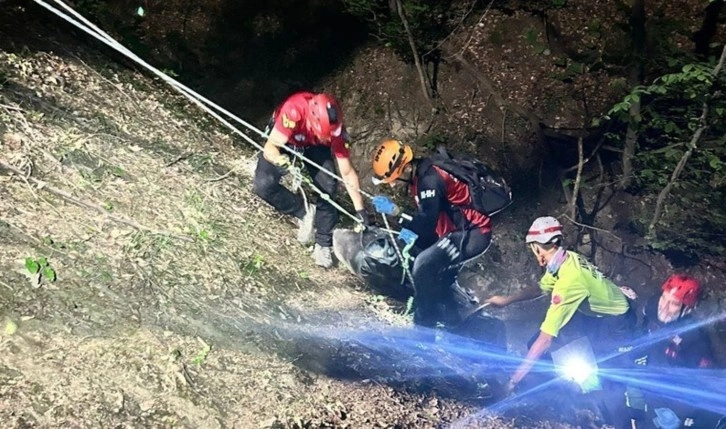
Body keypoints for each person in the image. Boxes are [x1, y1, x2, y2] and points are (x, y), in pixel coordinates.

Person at [485, 216, 635, 393]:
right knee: (537, 344)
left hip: (617, 322)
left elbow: (545, 340)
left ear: (536, 247)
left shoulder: (568, 282)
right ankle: (551, 388)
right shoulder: (565, 259)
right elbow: (540, 288)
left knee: (608, 373)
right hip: (595, 311)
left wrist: (512, 381)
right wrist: (506, 300)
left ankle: (587, 399)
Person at [369, 139, 493, 330]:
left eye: (394, 179)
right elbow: (427, 219)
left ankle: (424, 326)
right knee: (431, 267)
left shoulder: (429, 180)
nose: (392, 185)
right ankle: (453, 318)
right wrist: (400, 218)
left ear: (405, 168)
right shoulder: (421, 176)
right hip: (454, 232)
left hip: (472, 233)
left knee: (424, 266)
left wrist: (398, 216)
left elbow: (426, 222)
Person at [252, 91, 368, 268]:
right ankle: (303, 210)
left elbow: (347, 172)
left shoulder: (335, 129)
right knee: (263, 185)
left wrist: (360, 211)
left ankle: (323, 243)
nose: (329, 138)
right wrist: (278, 159)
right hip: (289, 137)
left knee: (328, 186)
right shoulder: (293, 111)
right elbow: (270, 147)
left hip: (314, 144)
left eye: (330, 135)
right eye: (326, 135)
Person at [621, 274, 723, 429]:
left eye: (674, 303)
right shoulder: (652, 306)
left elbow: (703, 379)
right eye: (664, 298)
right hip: (651, 371)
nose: (664, 306)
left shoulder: (693, 339)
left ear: (687, 309)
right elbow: (643, 331)